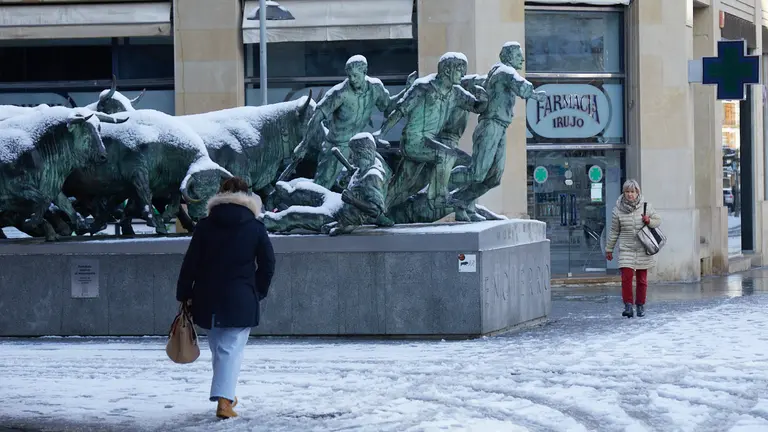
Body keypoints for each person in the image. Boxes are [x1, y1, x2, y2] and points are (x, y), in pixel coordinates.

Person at [176, 176, 275, 419]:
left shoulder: (205, 226)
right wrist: (258, 291)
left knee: (221, 349)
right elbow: (268, 264)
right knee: (230, 350)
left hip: (207, 298)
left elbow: (190, 264)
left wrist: (185, 294)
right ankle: (224, 402)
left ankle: (226, 393)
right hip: (241, 298)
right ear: (247, 197)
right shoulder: (255, 227)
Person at [605, 179, 661, 318]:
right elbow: (614, 231)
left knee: (642, 280)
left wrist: (649, 220)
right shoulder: (617, 210)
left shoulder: (646, 207)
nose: (630, 194)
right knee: (626, 279)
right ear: (624, 193)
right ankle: (628, 306)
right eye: (627, 192)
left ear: (637, 192)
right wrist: (609, 249)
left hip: (643, 248)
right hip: (626, 248)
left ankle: (640, 305)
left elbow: (658, 220)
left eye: (633, 191)